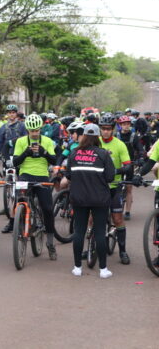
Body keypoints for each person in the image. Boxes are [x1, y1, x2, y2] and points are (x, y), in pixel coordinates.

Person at [66, 123, 116, 279]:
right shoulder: (103, 154)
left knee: (79, 232)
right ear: (97, 137)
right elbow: (110, 177)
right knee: (100, 233)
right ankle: (103, 270)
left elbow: (68, 175)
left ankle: (77, 268)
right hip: (99, 198)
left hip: (79, 198)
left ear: (84, 136)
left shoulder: (74, 153)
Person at [8, 114, 58, 260]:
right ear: (27, 130)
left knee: (48, 209)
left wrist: (44, 152)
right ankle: (18, 224)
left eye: (37, 130)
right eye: (32, 131)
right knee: (18, 201)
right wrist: (26, 153)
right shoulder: (21, 141)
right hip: (25, 175)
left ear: (40, 128)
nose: (35, 133)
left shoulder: (48, 141)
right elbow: (15, 162)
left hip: (42, 176)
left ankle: (50, 243)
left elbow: (54, 160)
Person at [99, 113, 132, 265]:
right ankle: (91, 247)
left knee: (117, 219)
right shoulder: (95, 143)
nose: (105, 131)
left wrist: (115, 172)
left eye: (108, 129)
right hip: (97, 187)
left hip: (114, 187)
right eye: (103, 129)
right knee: (92, 219)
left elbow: (127, 165)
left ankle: (123, 251)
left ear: (113, 129)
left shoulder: (120, 144)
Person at [116, 115, 145, 220]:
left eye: (128, 124)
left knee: (129, 188)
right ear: (120, 125)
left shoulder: (134, 136)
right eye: (124, 124)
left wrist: (141, 157)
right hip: (118, 165)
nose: (126, 126)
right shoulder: (116, 136)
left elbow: (140, 149)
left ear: (130, 125)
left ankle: (127, 211)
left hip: (130, 164)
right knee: (116, 186)